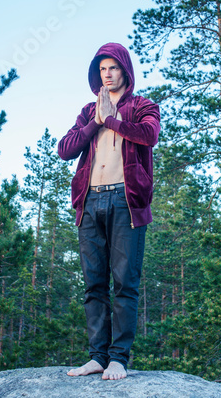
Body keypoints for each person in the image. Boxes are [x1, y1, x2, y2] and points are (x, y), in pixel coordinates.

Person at [58, 42, 160, 380]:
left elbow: (149, 135)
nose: (107, 73)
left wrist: (113, 121)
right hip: (90, 203)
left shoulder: (143, 106)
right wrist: (96, 123)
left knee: (125, 283)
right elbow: (65, 149)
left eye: (112, 67)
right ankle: (97, 356)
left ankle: (119, 358)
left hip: (125, 203)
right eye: (102, 69)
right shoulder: (89, 111)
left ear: (125, 71)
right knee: (93, 285)